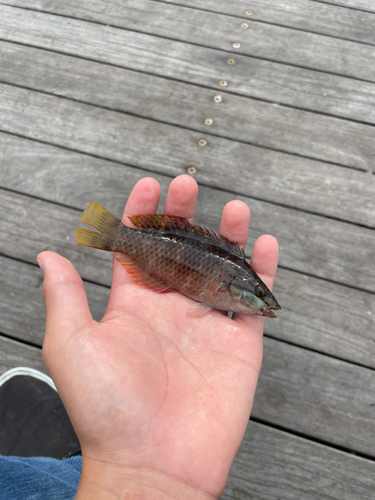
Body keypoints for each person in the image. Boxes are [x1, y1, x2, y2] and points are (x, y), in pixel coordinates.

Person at [0, 175, 279, 499]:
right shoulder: (229, 279)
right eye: (259, 293)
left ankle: (76, 467)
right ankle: (74, 465)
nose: (264, 302)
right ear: (238, 287)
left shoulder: (233, 278)